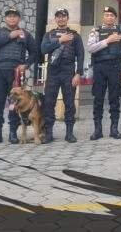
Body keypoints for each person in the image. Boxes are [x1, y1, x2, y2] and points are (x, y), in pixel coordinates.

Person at [0, 8, 39, 145]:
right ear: (5, 18)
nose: (12, 18)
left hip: (16, 73)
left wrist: (26, 65)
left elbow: (34, 52)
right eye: (9, 16)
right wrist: (10, 36)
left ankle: (13, 133)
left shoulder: (25, 34)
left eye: (15, 16)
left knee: (15, 103)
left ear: (19, 19)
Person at [85, 6, 121, 140]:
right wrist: (107, 41)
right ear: (103, 17)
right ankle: (97, 130)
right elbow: (90, 48)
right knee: (98, 99)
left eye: (111, 15)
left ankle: (114, 129)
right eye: (107, 15)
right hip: (100, 68)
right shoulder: (96, 31)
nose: (109, 17)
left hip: (115, 68)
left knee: (114, 99)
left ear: (115, 18)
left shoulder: (120, 31)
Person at [41, 8, 85, 143]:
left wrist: (78, 73)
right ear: (55, 19)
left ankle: (69, 133)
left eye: (63, 16)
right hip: (53, 72)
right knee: (49, 102)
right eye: (58, 17)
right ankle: (48, 133)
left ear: (67, 18)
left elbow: (81, 55)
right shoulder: (49, 35)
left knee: (70, 103)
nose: (61, 19)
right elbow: (43, 49)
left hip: (68, 71)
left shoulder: (75, 36)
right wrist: (60, 40)